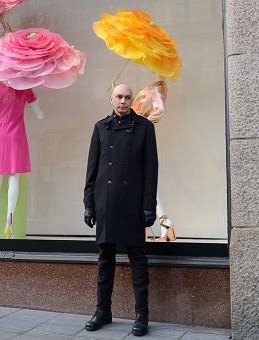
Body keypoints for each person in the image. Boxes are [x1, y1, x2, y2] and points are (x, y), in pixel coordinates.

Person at [83, 84, 158, 336]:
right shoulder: (100, 127)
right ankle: (102, 311)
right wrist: (88, 204)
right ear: (111, 99)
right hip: (105, 203)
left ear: (132, 100)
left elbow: (151, 170)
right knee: (105, 261)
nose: (123, 101)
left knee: (138, 261)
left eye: (127, 97)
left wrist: (149, 205)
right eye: (119, 97)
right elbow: (92, 170)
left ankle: (142, 316)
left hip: (133, 204)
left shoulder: (145, 128)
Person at [0, 82, 43, 239]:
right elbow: (40, 114)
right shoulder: (25, 88)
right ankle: (9, 224)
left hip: (0, 135)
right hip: (16, 136)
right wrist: (32, 104)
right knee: (13, 177)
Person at [132, 80, 176, 242]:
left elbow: (159, 111)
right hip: (136, 137)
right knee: (143, 186)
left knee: (144, 184)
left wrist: (143, 121)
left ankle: (160, 226)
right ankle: (163, 226)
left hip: (140, 138)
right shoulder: (150, 90)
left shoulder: (158, 88)